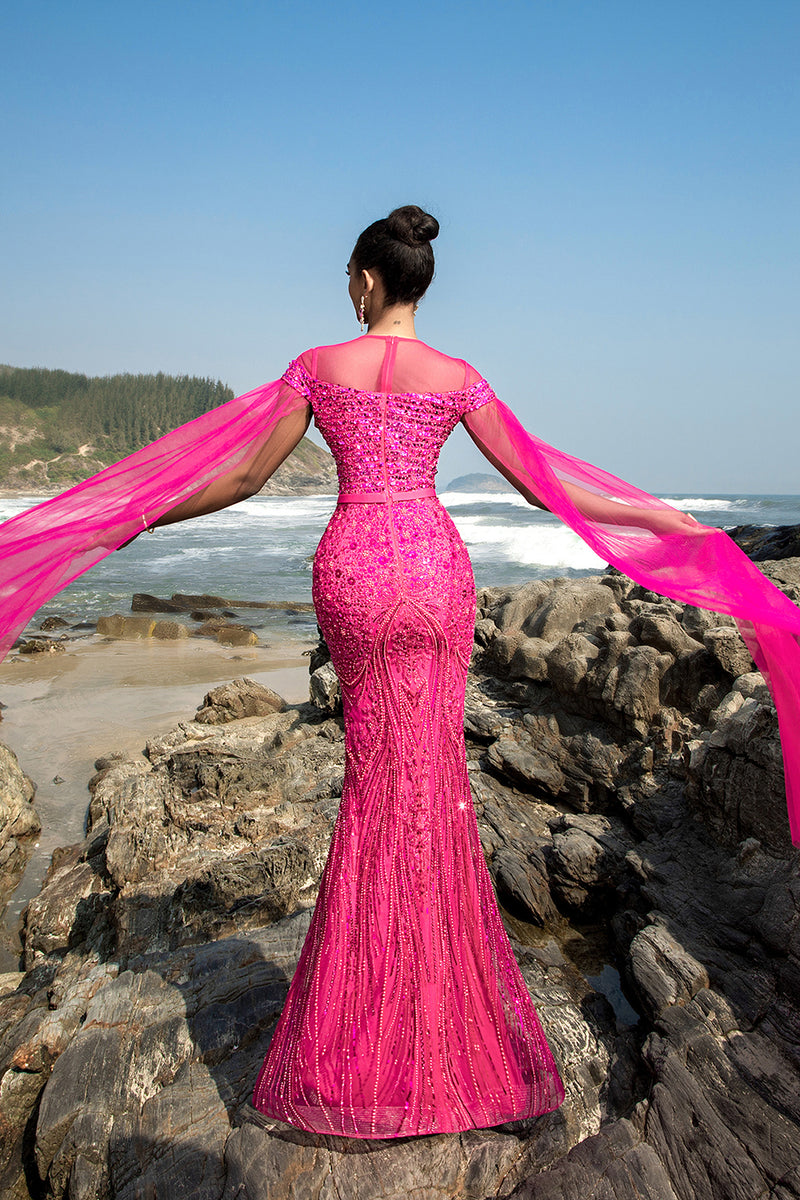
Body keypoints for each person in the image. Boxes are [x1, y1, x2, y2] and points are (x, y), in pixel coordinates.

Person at [1, 205, 800, 1141]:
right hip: (433, 566)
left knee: (375, 787)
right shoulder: (458, 379)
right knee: (433, 787)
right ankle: (440, 1014)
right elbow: (544, 484)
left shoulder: (317, 366)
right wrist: (671, 522)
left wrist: (137, 516)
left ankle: (366, 1029)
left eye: (349, 275)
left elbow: (245, 479)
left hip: (355, 569)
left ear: (369, 282)